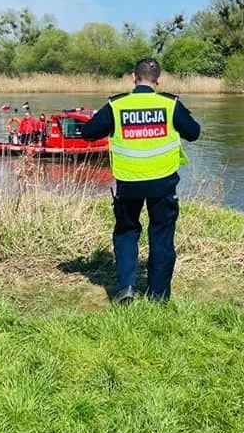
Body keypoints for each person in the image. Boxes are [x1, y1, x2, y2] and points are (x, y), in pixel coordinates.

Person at [81, 57, 200, 303]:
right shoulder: (169, 104)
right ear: (158, 81)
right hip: (163, 183)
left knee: (126, 232)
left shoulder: (117, 106)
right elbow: (194, 132)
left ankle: (126, 288)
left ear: (134, 78)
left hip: (128, 183)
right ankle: (158, 295)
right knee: (162, 235)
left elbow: (88, 132)